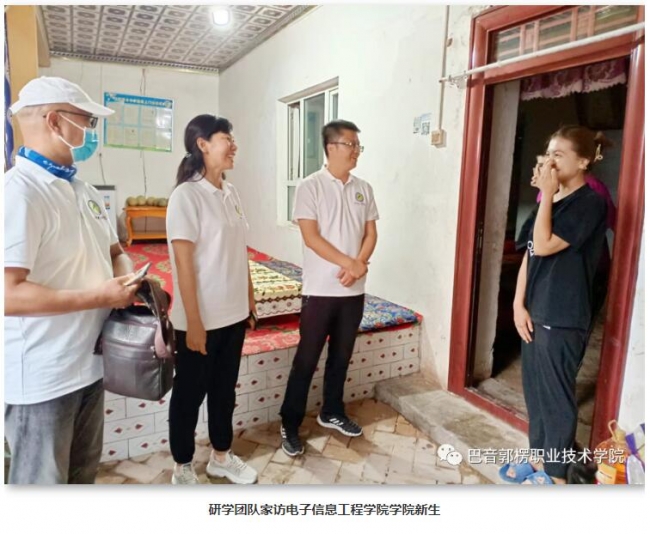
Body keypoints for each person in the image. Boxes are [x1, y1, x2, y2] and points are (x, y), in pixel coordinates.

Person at [4, 76, 138, 484]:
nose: (91, 132)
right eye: (86, 121)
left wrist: (126, 277)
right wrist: (99, 295)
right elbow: (9, 294)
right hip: (43, 379)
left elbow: (114, 251)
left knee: (81, 478)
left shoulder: (84, 190)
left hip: (90, 366)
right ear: (54, 121)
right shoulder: (19, 193)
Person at [503, 126, 608, 484]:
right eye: (548, 153)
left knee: (557, 397)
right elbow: (531, 254)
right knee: (535, 392)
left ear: (583, 161)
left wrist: (546, 194)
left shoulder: (590, 203)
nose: (549, 162)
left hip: (562, 315)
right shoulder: (548, 203)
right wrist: (518, 304)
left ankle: (557, 475)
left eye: (558, 155)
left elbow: (546, 245)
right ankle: (537, 458)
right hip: (534, 311)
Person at [166, 114, 258, 485]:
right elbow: (183, 266)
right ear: (202, 144)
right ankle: (182, 465)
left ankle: (221, 455)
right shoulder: (186, 196)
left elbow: (239, 249)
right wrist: (194, 322)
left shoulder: (230, 192)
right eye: (226, 138)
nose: (233, 145)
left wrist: (249, 298)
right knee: (189, 397)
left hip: (233, 316)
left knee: (224, 392)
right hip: (200, 320)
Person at [279, 119, 379, 456]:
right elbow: (311, 237)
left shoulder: (363, 188)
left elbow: (371, 233)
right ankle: (289, 422)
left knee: (341, 356)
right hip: (321, 290)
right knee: (306, 359)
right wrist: (349, 263)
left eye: (358, 146)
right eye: (351, 145)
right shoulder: (310, 187)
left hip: (353, 290)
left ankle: (332, 411)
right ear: (331, 147)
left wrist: (359, 264)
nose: (356, 151)